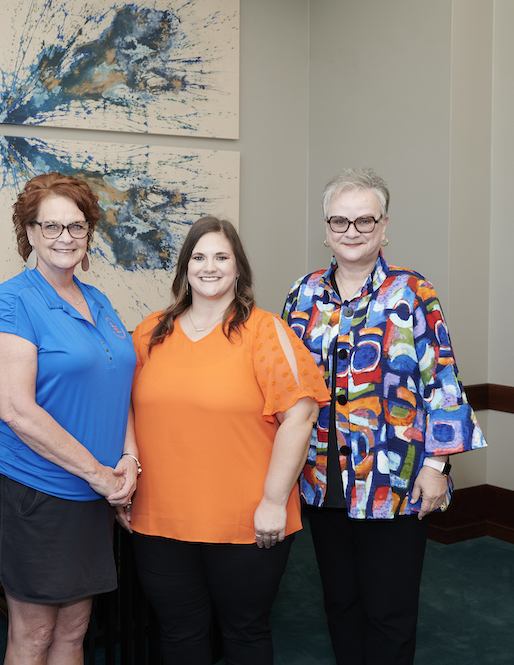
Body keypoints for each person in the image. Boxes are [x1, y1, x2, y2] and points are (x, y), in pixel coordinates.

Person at [282, 167, 487, 665]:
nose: (351, 232)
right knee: (341, 603)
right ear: (326, 230)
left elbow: (443, 380)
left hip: (394, 483)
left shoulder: (413, 293)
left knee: (389, 611)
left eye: (364, 221)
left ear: (385, 227)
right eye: (340, 221)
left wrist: (438, 469)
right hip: (321, 481)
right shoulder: (302, 295)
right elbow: (286, 386)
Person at [122, 216, 329, 665]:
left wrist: (274, 500)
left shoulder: (265, 331)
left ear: (239, 270)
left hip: (247, 522)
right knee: (178, 634)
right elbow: (124, 409)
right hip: (160, 519)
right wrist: (126, 470)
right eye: (198, 257)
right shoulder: (150, 332)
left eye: (221, 257)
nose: (209, 267)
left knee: (244, 633)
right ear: (184, 268)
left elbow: (301, 413)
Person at [0, 172, 138, 664]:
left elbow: (119, 387)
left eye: (76, 226)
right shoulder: (12, 300)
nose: (64, 238)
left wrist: (129, 458)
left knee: (75, 630)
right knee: (34, 633)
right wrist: (99, 474)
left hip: (94, 491)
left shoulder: (98, 300)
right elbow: (17, 411)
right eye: (51, 227)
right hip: (38, 489)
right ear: (28, 233)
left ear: (89, 233)